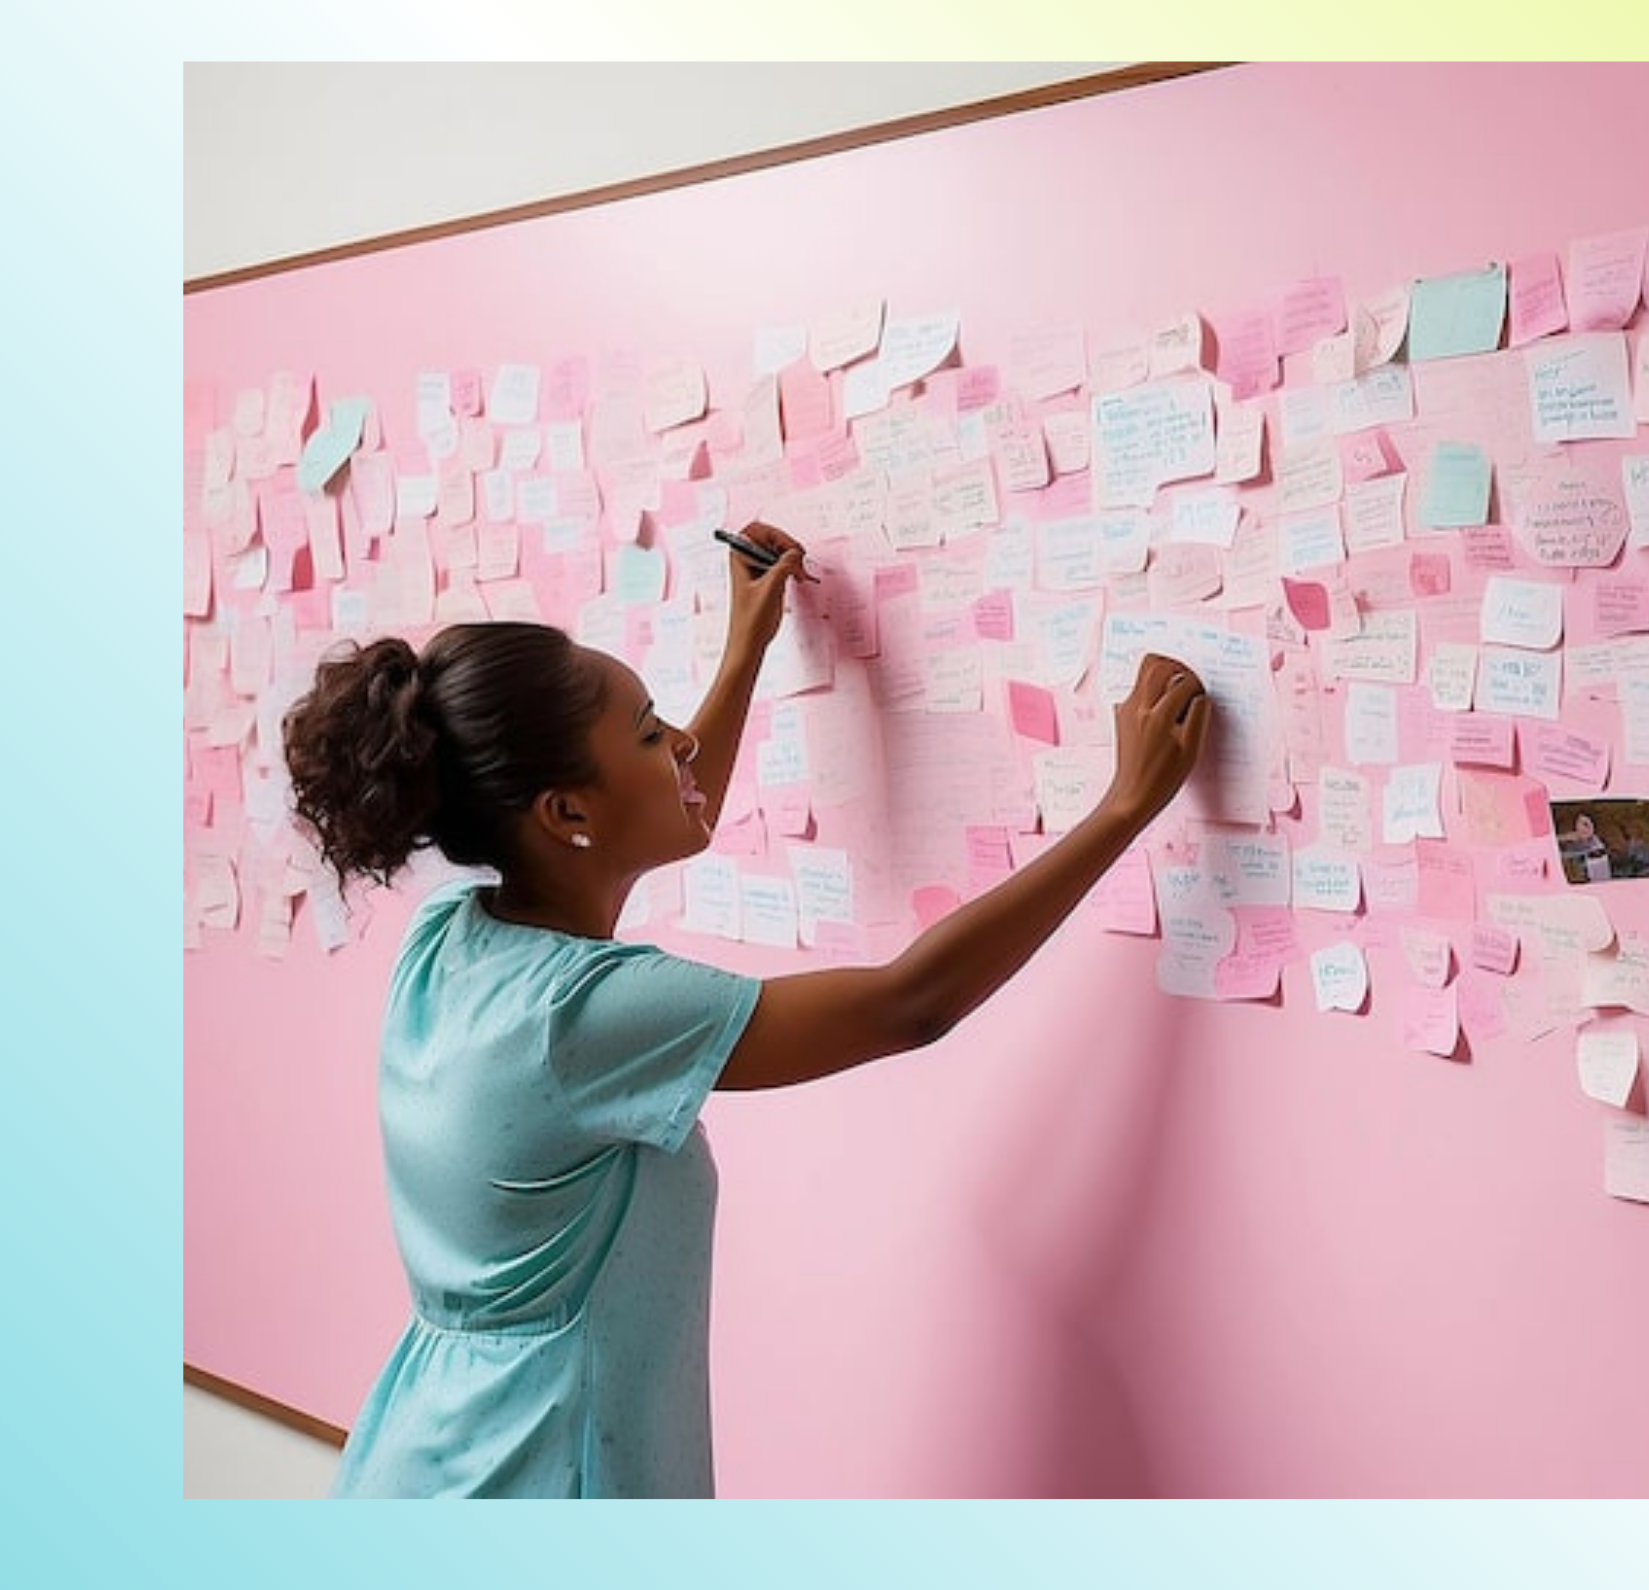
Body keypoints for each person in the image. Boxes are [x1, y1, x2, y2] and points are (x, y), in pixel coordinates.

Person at [280, 520, 1211, 1497]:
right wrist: (1123, 807)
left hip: (419, 1462)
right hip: (538, 1478)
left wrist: (748, 645)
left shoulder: (448, 942)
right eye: (649, 732)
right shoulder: (585, 1018)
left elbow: (671, 804)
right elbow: (911, 1005)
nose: (679, 742)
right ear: (566, 815)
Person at [1559, 811, 1612, 882]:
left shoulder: (1596, 845)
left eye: (1586, 824)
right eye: (1578, 824)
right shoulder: (1575, 840)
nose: (1580, 828)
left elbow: (1578, 854)